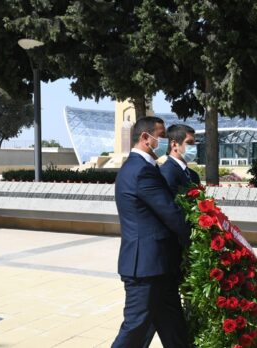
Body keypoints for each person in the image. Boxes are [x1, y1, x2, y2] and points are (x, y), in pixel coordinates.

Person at [112, 116, 192, 348]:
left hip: (158, 265)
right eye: (162, 135)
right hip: (146, 267)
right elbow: (170, 212)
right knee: (135, 329)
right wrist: (196, 240)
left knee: (173, 326)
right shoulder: (141, 171)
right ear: (146, 138)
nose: (165, 141)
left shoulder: (142, 167)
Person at [161, 124, 201, 198]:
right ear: (174, 145)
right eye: (189, 142)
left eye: (194, 143)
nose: (193, 146)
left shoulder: (193, 175)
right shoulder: (166, 172)